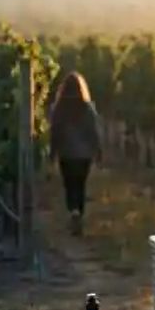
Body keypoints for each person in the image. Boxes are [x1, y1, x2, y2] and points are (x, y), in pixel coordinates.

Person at [48, 71, 102, 236]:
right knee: (80, 185)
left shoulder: (58, 109)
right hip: (84, 155)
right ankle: (78, 213)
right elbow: (93, 132)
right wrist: (98, 151)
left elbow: (54, 132)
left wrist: (52, 152)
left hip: (66, 153)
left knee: (69, 185)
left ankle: (73, 212)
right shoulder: (87, 108)